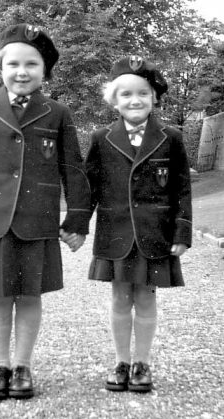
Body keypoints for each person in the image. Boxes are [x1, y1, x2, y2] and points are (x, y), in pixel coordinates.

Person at [0, 23, 90, 400]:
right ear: (0, 67)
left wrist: (77, 220)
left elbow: (73, 169)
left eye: (31, 64)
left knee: (29, 296)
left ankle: (22, 366)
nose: (21, 71)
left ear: (45, 71)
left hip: (37, 220)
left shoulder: (58, 113)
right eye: (13, 63)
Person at [85, 55, 192, 393]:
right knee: (119, 299)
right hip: (115, 233)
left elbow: (182, 188)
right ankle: (121, 362)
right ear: (114, 100)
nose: (135, 100)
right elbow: (90, 188)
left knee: (146, 300)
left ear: (154, 98)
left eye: (143, 93)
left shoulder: (171, 137)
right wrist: (76, 225)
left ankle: (142, 363)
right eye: (127, 94)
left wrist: (182, 231)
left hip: (154, 235)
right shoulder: (100, 138)